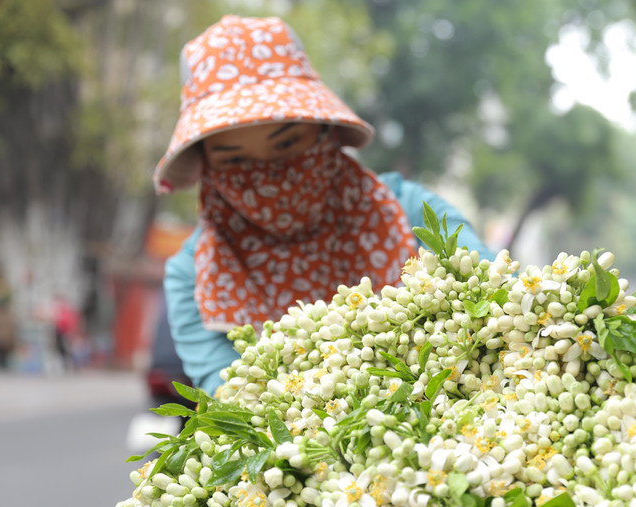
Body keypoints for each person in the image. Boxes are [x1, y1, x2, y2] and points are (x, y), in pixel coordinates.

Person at [157, 15, 494, 396]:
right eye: (235, 160)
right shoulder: (196, 277)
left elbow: (493, 299)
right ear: (207, 167)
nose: (270, 180)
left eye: (287, 144)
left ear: (326, 132)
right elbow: (234, 402)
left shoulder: (412, 214)